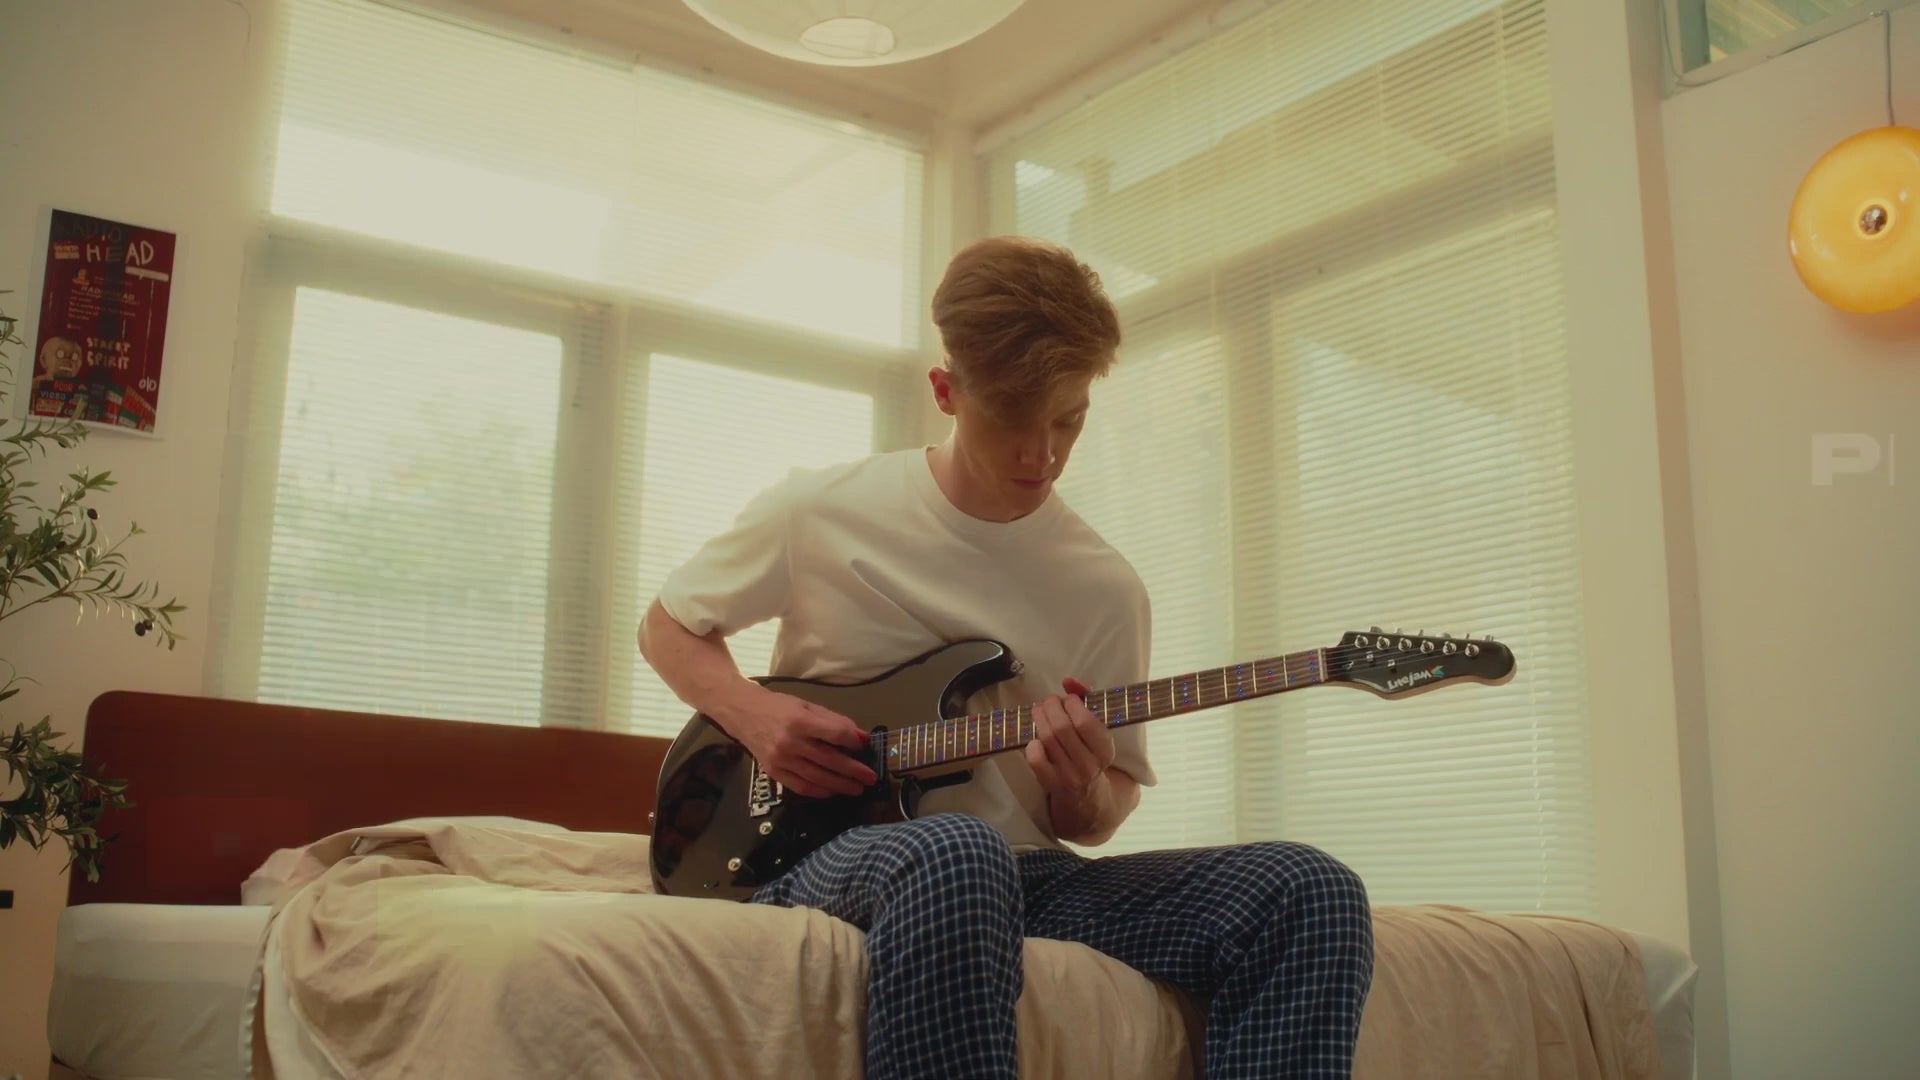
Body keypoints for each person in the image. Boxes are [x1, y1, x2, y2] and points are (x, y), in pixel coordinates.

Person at [637, 235, 1374, 1079]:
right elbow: (668, 627)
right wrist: (757, 716)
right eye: (1013, 420)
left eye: (1068, 420)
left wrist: (1081, 789)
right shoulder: (818, 512)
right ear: (946, 391)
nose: (1042, 454)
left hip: (1028, 877)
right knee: (957, 851)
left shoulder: (1104, 588)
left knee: (1309, 890)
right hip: (818, 854)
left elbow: (1099, 815)